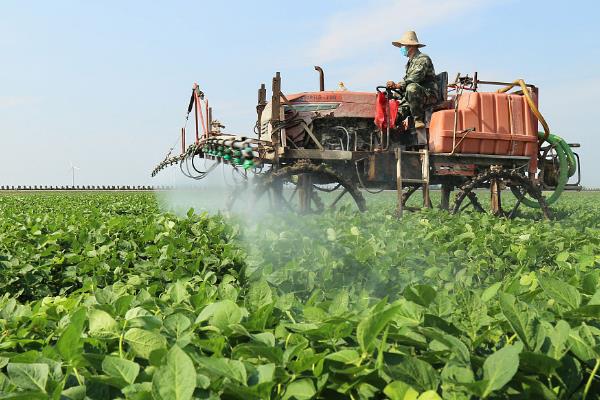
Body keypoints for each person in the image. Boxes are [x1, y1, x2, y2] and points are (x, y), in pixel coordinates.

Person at [386, 31, 438, 129]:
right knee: (394, 117)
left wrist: (398, 85)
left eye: (403, 46)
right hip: (413, 96)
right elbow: (406, 83)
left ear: (410, 46)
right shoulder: (410, 63)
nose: (401, 48)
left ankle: (418, 119)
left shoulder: (423, 59)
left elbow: (415, 77)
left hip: (427, 94)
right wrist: (393, 93)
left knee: (411, 88)